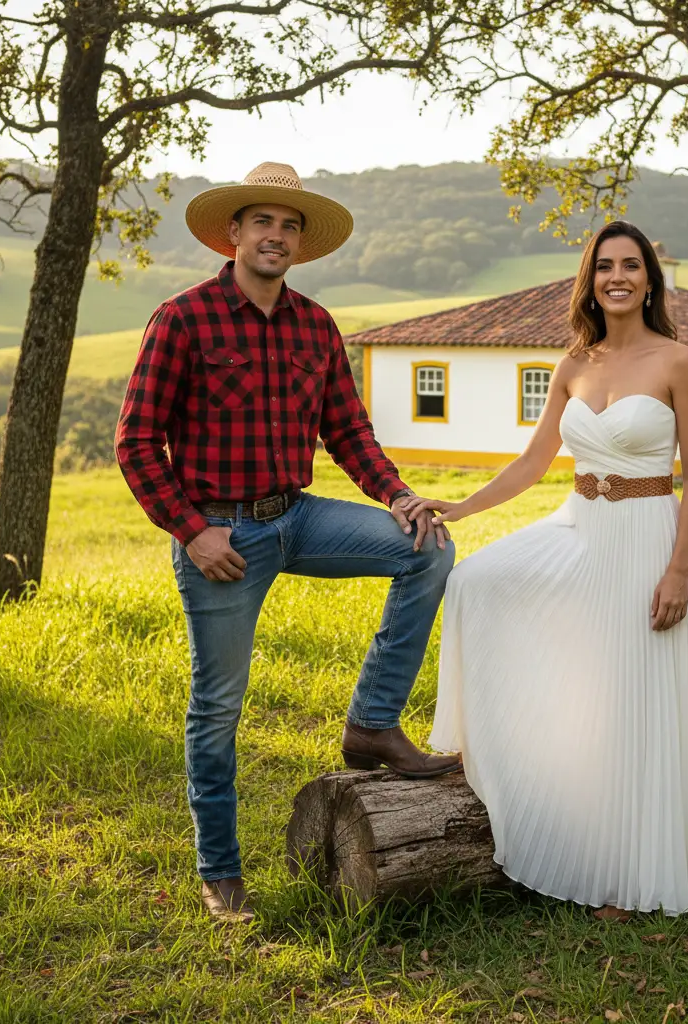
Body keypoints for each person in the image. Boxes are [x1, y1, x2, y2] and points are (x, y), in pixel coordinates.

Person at [115, 161, 460, 924]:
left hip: (298, 515)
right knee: (218, 706)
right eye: (263, 221)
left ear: (301, 244)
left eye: (290, 224)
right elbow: (137, 443)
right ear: (233, 232)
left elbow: (349, 430)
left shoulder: (314, 324)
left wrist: (398, 495)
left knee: (428, 548)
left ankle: (371, 723)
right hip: (222, 534)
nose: (277, 235)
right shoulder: (184, 318)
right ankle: (221, 872)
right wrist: (193, 531)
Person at [399, 221, 688, 917]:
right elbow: (531, 463)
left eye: (631, 266)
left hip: (647, 539)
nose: (618, 276)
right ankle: (505, 757)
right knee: (477, 584)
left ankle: (635, 874)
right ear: (591, 278)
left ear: (650, 279)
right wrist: (461, 506)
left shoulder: (679, 360)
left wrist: (678, 569)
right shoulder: (574, 362)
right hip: (578, 527)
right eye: (605, 265)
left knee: (634, 700)